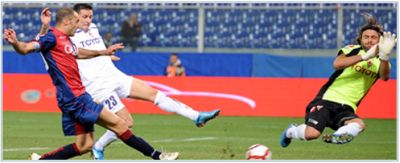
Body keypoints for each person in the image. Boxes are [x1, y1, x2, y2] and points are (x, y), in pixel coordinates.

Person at [39, 4, 220, 160]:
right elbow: (54, 49)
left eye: (90, 16)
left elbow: (97, 50)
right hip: (99, 87)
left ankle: (195, 116)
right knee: (126, 122)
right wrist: (44, 27)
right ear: (75, 18)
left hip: (115, 75)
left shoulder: (93, 28)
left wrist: (106, 57)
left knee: (153, 93)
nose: (88, 20)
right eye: (84, 17)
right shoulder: (67, 37)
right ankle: (99, 147)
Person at [4, 8, 179, 160]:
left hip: (74, 98)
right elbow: (26, 48)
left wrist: (104, 51)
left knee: (84, 145)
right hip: (76, 98)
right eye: (76, 21)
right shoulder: (52, 38)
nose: (79, 25)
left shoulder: (66, 40)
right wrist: (15, 43)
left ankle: (41, 160)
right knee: (120, 124)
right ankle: (158, 156)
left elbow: (78, 52)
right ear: (67, 22)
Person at [279, 14, 397, 147]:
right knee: (311, 134)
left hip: (347, 107)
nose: (369, 40)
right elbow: (338, 64)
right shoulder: (352, 50)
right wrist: (364, 56)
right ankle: (291, 131)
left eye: (374, 37)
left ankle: (337, 137)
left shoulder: (381, 62)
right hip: (327, 99)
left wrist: (385, 57)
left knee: (359, 125)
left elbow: (385, 77)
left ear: (379, 40)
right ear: (361, 38)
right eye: (366, 37)